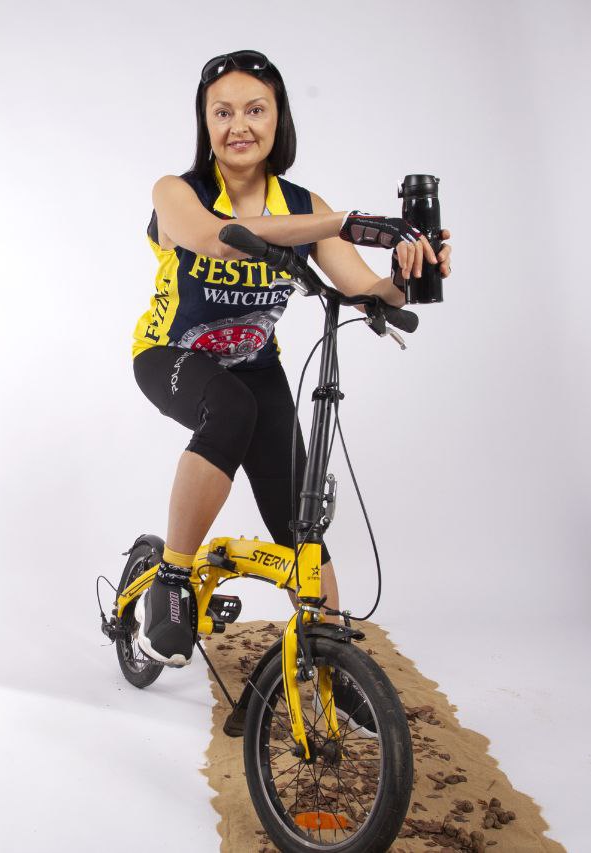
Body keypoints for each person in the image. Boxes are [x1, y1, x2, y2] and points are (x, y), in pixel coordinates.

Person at [131, 50, 452, 668]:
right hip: (171, 354)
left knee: (296, 515)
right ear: (205, 122)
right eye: (222, 112)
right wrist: (344, 223)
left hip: (256, 364)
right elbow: (216, 239)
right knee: (230, 409)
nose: (239, 126)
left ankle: (328, 650)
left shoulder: (305, 204)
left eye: (255, 110)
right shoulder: (177, 192)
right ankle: (172, 579)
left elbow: (364, 289)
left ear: (279, 119)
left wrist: (406, 274)